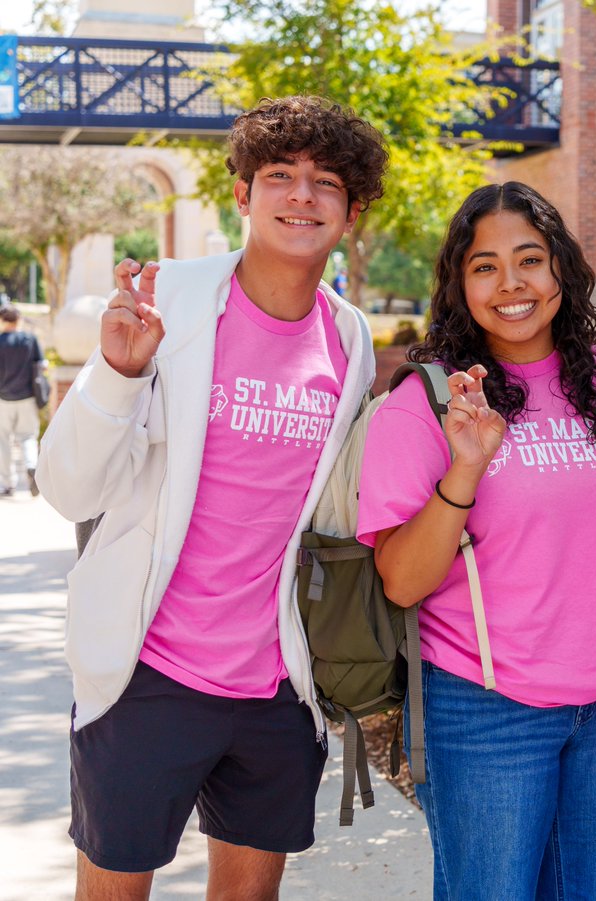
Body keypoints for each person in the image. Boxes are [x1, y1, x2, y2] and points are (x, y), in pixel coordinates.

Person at [36, 95, 388, 900]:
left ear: (352, 207)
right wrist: (119, 377)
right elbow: (68, 485)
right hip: (148, 673)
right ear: (242, 194)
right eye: (280, 176)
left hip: (275, 688)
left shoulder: (350, 336)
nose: (302, 195)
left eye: (326, 182)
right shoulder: (172, 300)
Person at [356, 181, 596, 900]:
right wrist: (466, 466)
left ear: (562, 270)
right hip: (488, 708)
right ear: (460, 282)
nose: (512, 283)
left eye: (530, 258)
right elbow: (400, 580)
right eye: (485, 265)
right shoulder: (429, 400)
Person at [0, 304, 45, 497]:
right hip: (27, 397)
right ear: (18, 320)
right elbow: (41, 365)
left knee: (3, 441)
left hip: (3, 398)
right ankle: (31, 466)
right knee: (27, 436)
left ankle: (7, 484)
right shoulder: (30, 339)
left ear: (3, 320)